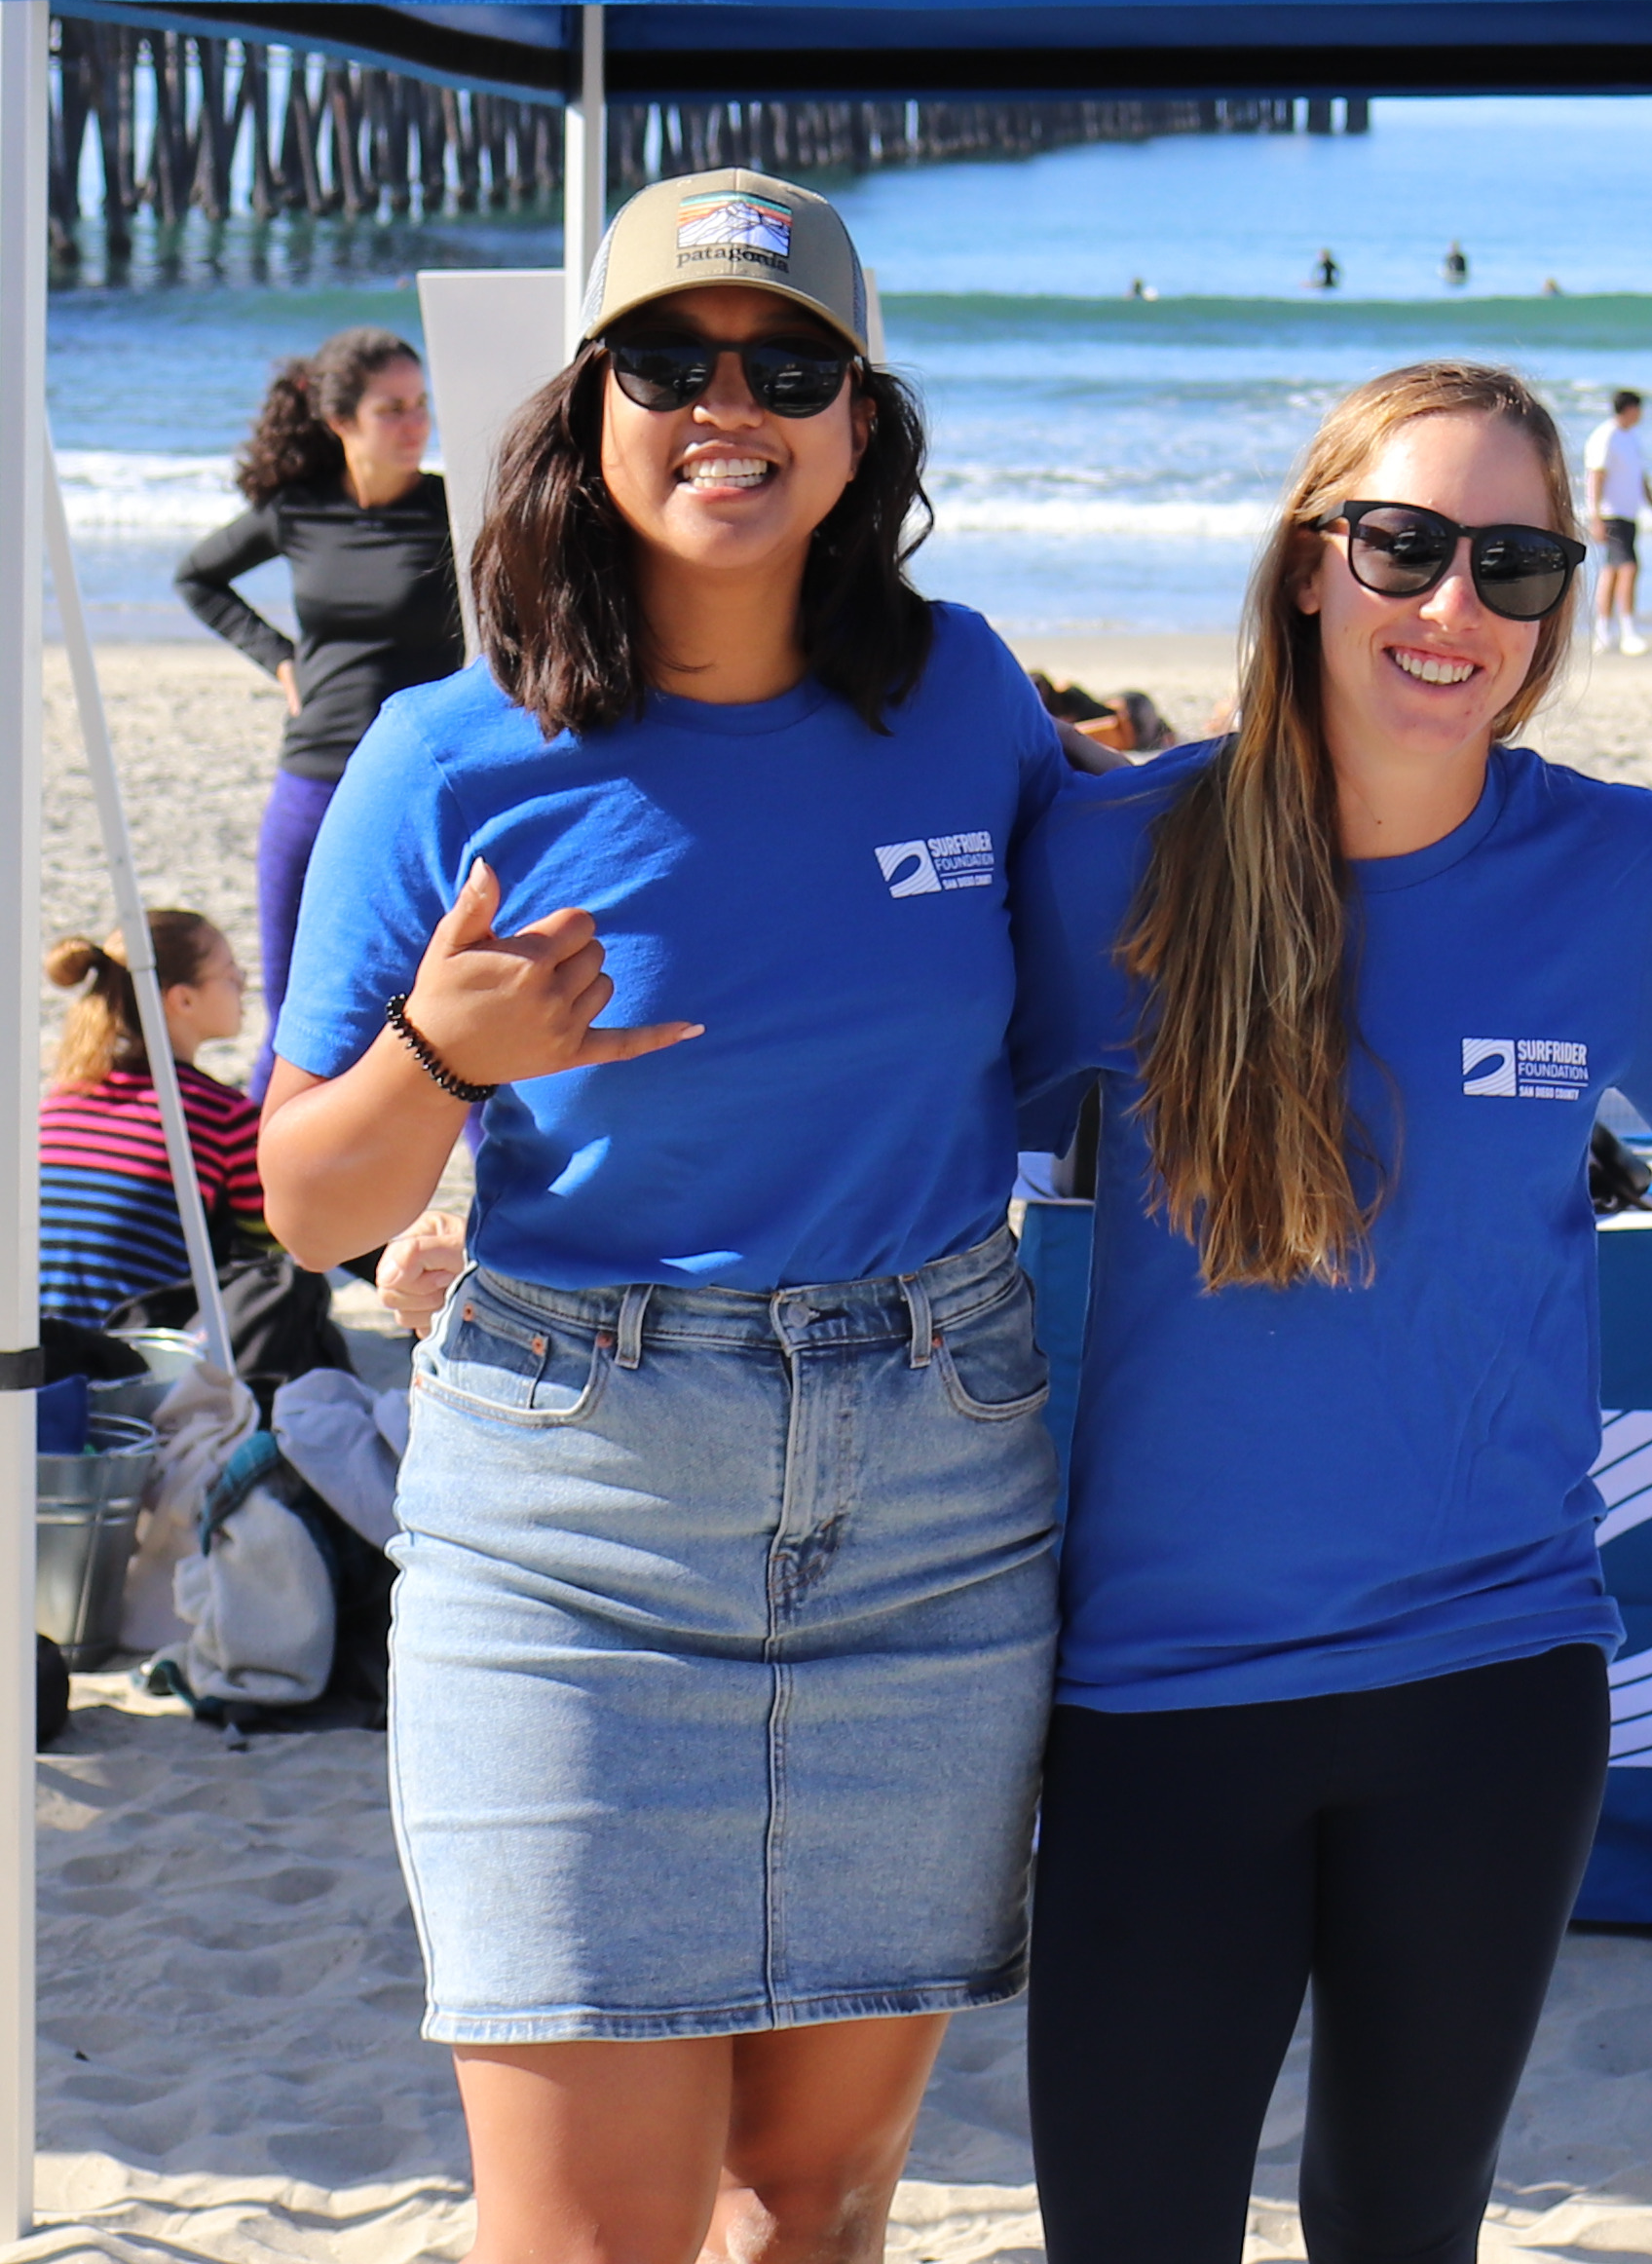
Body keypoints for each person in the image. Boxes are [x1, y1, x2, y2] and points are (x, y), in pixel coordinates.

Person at [259, 170, 1075, 2264]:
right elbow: (311, 1189)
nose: (731, 404)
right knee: (592, 2230)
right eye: (668, 361)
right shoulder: (452, 753)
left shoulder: (964, 695)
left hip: (931, 1489)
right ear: (585, 404)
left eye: (788, 363)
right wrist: (442, 1059)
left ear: (862, 422)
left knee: (815, 2199)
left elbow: (1135, 973)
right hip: (575, 1513)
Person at [1013, 362, 1652, 2264]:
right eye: (1404, 542)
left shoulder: (1606, 869)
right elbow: (884, 1135)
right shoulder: (1118, 858)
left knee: (1403, 2232)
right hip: (1161, 1697)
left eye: (1514, 561)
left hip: (1488, 1692)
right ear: (1310, 562)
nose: (1454, 605)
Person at [177, 326, 461, 1094]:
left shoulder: (457, 510)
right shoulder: (298, 511)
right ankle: (257, 1206)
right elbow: (198, 578)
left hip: (420, 786)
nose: (416, 424)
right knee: (295, 1013)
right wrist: (277, 657)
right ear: (341, 423)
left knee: (443, 1013)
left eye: (421, 405)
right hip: (314, 771)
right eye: (392, 409)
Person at [39, 908, 271, 1322]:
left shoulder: (60, 1099)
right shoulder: (221, 1115)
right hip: (134, 1350)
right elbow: (271, 1250)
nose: (243, 985)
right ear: (182, 998)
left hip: (32, 1340)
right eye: (231, 974)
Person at [1588, 386, 1652, 658]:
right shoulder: (1606, 436)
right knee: (1629, 567)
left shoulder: (1631, 438)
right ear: (1630, 409)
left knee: (1613, 570)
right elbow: (1595, 476)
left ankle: (1604, 632)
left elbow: (1640, 479)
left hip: (1629, 513)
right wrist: (1595, 515)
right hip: (1611, 513)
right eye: (1639, 408)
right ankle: (1628, 632)